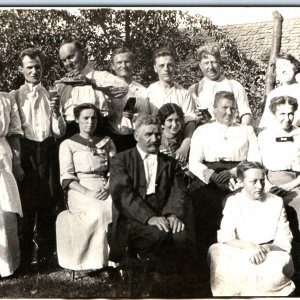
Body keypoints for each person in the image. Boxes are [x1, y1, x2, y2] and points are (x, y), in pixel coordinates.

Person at [108, 115, 198, 297]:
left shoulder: (170, 163)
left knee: (181, 236)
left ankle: (178, 287)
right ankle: (150, 285)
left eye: (158, 134)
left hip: (165, 213)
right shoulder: (120, 160)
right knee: (158, 234)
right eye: (148, 134)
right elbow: (124, 195)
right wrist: (150, 218)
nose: (155, 139)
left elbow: (178, 192)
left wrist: (173, 215)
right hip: (132, 218)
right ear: (136, 136)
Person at [10, 48, 66, 270]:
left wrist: (57, 113)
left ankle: (46, 257)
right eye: (30, 67)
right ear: (21, 69)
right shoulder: (14, 96)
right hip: (25, 152)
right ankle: (24, 260)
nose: (34, 71)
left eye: (38, 67)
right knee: (25, 206)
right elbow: (15, 130)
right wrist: (17, 161)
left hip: (48, 150)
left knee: (49, 202)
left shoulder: (51, 94)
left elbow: (59, 132)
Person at [208, 161, 295, 296]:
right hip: (239, 250)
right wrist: (248, 246)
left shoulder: (276, 201)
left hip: (269, 252)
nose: (259, 186)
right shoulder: (233, 202)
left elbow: (284, 238)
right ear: (241, 182)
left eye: (262, 181)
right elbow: (226, 236)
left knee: (274, 271)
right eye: (253, 182)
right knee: (219, 256)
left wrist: (266, 248)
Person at [189, 91, 261, 254]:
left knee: (241, 208)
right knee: (202, 205)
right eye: (224, 108)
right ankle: (205, 260)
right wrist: (213, 176)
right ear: (214, 109)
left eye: (233, 108)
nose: (229, 112)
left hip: (239, 177)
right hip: (209, 178)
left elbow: (255, 160)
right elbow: (193, 163)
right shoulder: (202, 130)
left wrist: (234, 172)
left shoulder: (246, 130)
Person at [56, 103, 116, 272]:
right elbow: (67, 177)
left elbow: (115, 170)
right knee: (99, 212)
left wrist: (108, 187)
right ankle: (97, 263)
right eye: (85, 118)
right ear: (77, 120)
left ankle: (115, 260)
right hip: (80, 189)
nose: (90, 122)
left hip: (104, 186)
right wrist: (88, 192)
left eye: (94, 118)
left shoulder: (107, 142)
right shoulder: (68, 144)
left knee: (116, 208)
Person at [57, 39, 129, 140]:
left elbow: (124, 89)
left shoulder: (101, 76)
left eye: (71, 57)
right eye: (64, 60)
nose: (68, 63)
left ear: (83, 53)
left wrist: (91, 82)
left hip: (100, 136)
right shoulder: (62, 86)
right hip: (71, 138)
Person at [147, 47, 196, 163]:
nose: (166, 69)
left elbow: (190, 123)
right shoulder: (148, 93)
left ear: (175, 66)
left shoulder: (184, 93)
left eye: (170, 65)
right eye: (161, 66)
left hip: (178, 147)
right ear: (155, 68)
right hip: (155, 146)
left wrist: (184, 147)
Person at [189, 43, 252, 125]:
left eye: (214, 62)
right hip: (205, 134)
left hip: (232, 133)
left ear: (220, 63)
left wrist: (242, 132)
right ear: (200, 66)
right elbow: (189, 120)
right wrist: (196, 118)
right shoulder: (194, 90)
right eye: (206, 63)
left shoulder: (234, 86)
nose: (211, 67)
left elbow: (245, 113)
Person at [0, 91, 23, 277]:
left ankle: (7, 265)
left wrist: (16, 163)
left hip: (3, 155)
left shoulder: (7, 98)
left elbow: (15, 133)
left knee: (5, 207)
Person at [110, 47, 150, 151]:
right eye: (119, 62)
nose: (123, 66)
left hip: (136, 140)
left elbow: (146, 117)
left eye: (127, 62)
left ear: (133, 64)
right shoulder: (107, 89)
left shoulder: (143, 91)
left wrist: (135, 117)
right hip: (112, 140)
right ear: (112, 66)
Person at [259, 53, 300, 130]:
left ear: (295, 67)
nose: (283, 70)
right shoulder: (273, 94)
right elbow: (266, 120)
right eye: (279, 67)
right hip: (275, 136)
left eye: (286, 65)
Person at [156, 103, 191, 178]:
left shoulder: (186, 139)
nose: (174, 125)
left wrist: (183, 164)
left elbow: (191, 175)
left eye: (177, 120)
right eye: (170, 120)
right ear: (162, 122)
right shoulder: (157, 139)